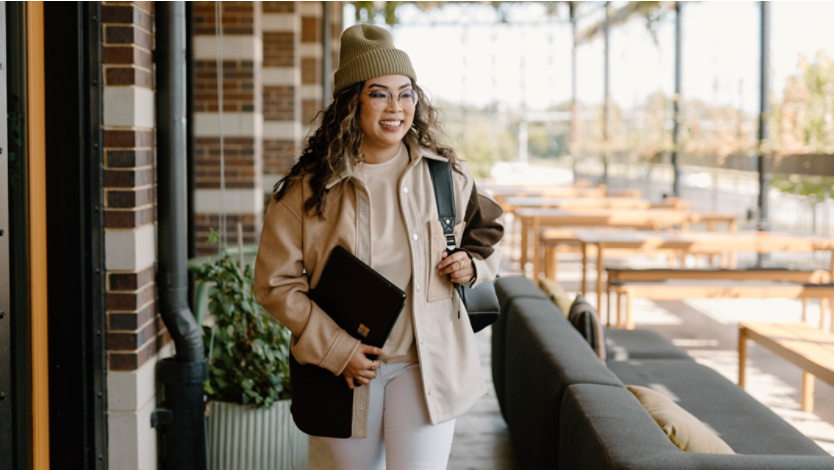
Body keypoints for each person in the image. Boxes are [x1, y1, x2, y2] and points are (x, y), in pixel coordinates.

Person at [254, 23, 504, 470]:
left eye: (406, 93)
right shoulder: (308, 191)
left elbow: (487, 239)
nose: (396, 108)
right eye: (379, 93)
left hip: (425, 366)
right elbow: (275, 285)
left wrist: (472, 265)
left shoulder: (445, 176)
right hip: (345, 373)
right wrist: (337, 351)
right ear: (352, 103)